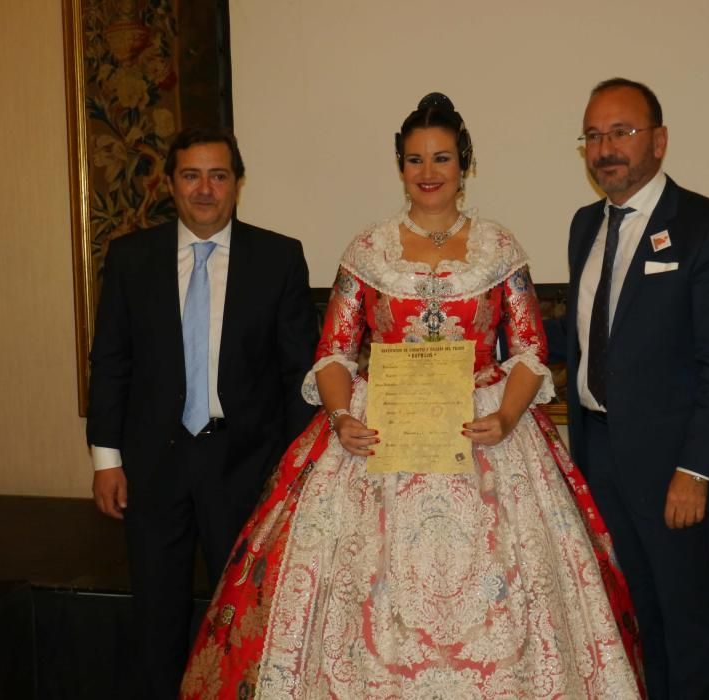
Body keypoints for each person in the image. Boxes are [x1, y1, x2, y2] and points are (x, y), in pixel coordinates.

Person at [180, 94, 643, 698]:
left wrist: (505, 416)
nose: (429, 172)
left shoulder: (500, 248)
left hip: (485, 433)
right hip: (381, 431)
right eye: (415, 159)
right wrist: (342, 416)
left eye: (442, 158)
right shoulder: (367, 250)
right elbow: (334, 353)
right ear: (400, 166)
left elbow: (528, 351)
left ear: (464, 165)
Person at [86, 126, 318, 699]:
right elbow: (111, 361)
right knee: (157, 622)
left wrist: (290, 474)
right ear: (171, 184)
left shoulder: (279, 258)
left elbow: (299, 377)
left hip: (247, 468)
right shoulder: (131, 258)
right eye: (191, 175)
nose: (205, 189)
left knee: (245, 622)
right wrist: (106, 459)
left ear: (238, 183)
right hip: (152, 469)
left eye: (219, 175)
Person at [564, 78, 709, 699]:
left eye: (621, 132)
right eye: (593, 136)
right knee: (637, 624)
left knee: (689, 630)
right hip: (600, 458)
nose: (605, 148)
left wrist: (695, 472)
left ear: (660, 141)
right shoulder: (583, 225)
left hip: (676, 472)